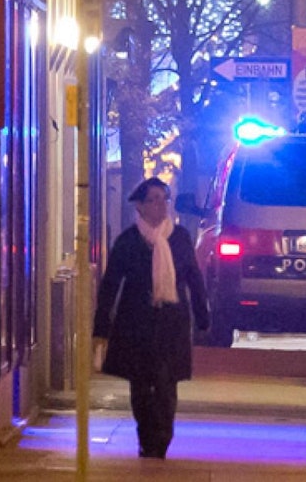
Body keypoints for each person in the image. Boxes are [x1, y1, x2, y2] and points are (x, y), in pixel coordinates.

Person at [92, 177, 210, 459]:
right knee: (141, 384)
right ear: (141, 207)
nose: (160, 205)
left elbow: (194, 278)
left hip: (172, 322)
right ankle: (146, 437)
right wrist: (101, 328)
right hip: (136, 323)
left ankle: (162, 438)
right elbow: (110, 285)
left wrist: (202, 315)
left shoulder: (179, 237)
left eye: (164, 199)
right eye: (153, 200)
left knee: (167, 383)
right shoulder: (128, 241)